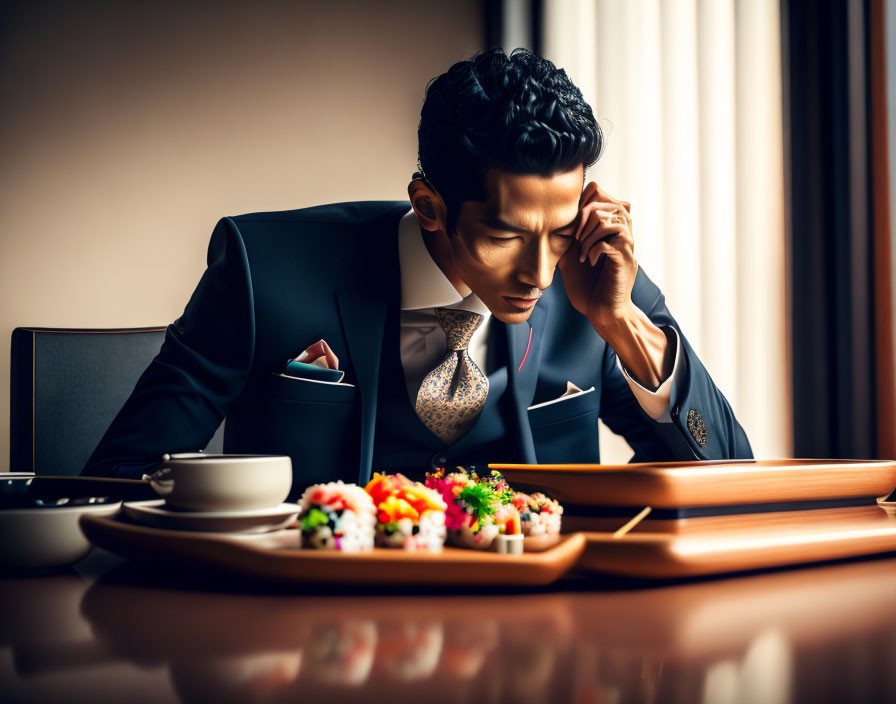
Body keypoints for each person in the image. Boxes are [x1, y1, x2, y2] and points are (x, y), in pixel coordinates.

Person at [82, 48, 752, 490]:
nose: (541, 273)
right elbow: (119, 476)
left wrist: (624, 322)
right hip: (311, 641)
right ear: (429, 206)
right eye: (504, 236)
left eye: (561, 232)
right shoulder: (263, 270)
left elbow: (731, 477)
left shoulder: (597, 281)